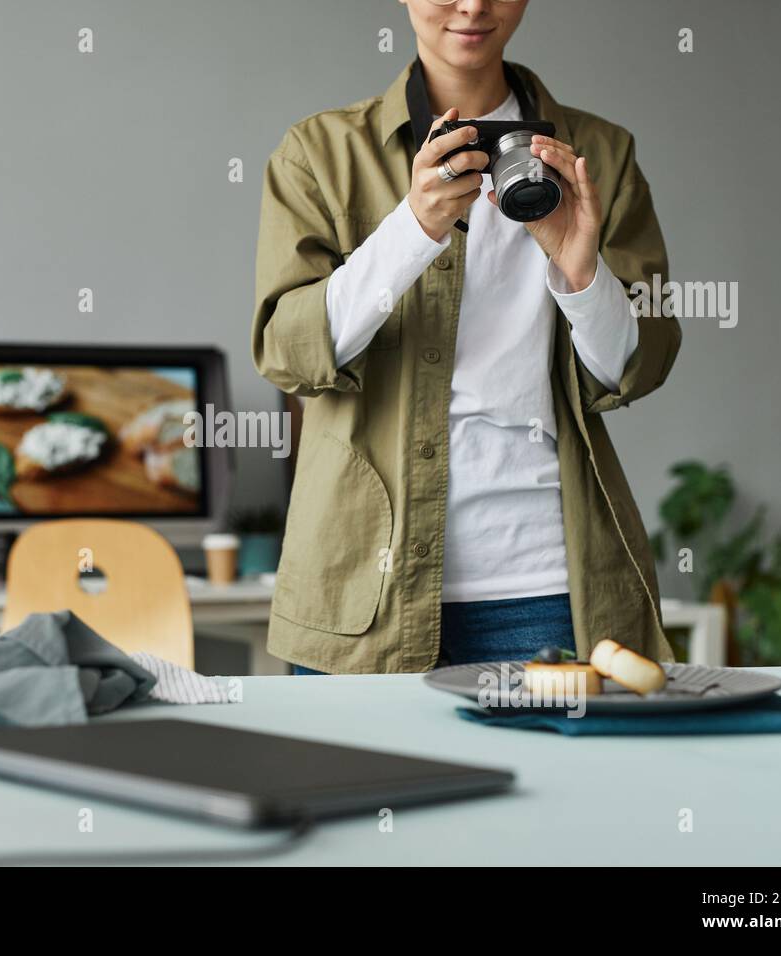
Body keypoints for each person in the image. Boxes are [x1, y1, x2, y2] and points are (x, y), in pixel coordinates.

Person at [251, 0, 681, 674]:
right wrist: (411, 229)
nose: (474, 4)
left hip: (543, 584)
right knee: (356, 783)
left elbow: (634, 368)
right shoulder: (320, 152)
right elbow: (287, 351)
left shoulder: (600, 154)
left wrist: (579, 271)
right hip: (360, 577)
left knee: (564, 783)